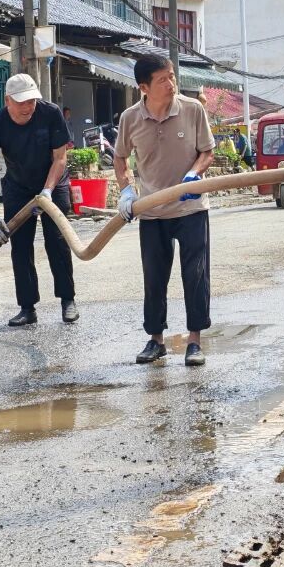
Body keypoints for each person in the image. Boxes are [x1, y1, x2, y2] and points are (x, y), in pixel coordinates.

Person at [115, 55, 215, 367]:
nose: (171, 84)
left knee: (195, 276)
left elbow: (207, 151)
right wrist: (127, 190)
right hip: (153, 212)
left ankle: (194, 341)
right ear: (143, 87)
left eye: (172, 76)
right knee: (154, 278)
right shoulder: (130, 118)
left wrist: (194, 174)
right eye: (163, 79)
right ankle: (156, 340)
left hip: (191, 208)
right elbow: (120, 158)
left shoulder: (191, 109)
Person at [0, 73, 77, 327]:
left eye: (32, 101)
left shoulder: (50, 113)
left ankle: (68, 301)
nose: (28, 107)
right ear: (7, 101)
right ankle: (27, 307)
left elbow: (60, 158)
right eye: (22, 102)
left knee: (57, 242)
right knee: (20, 247)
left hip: (53, 183)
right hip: (17, 186)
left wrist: (47, 191)